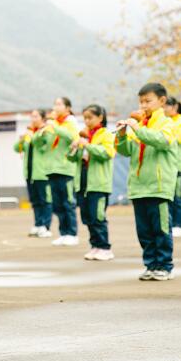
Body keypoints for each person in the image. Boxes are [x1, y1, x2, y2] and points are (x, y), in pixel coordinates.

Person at [116, 82, 177, 281]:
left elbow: (162, 141)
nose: (143, 105)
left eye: (147, 101)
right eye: (141, 101)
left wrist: (137, 129)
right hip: (138, 186)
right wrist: (123, 135)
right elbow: (125, 151)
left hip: (158, 187)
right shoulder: (138, 125)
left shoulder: (168, 123)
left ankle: (165, 265)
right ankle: (150, 264)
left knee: (160, 228)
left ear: (161, 101)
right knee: (144, 231)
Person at [70, 104, 116, 261]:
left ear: (100, 118)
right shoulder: (83, 135)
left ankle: (105, 247)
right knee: (87, 216)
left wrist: (88, 146)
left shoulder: (106, 135)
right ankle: (95, 245)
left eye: (90, 118)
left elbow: (107, 153)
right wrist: (74, 148)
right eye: (85, 118)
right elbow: (71, 158)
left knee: (98, 216)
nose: (87, 121)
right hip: (83, 182)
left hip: (98, 183)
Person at [39, 97, 80, 246]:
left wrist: (54, 126)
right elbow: (42, 144)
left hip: (65, 168)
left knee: (68, 203)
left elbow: (71, 137)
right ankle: (64, 233)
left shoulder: (71, 122)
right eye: (54, 104)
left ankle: (72, 233)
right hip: (52, 168)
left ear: (68, 108)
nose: (55, 107)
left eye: (59, 104)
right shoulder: (53, 123)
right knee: (57, 204)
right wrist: (42, 131)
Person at [14, 110, 53, 237]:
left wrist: (32, 134)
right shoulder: (29, 133)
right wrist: (21, 140)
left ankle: (45, 226)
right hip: (30, 173)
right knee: (35, 201)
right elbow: (16, 148)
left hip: (42, 173)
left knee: (44, 200)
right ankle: (37, 224)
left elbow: (43, 145)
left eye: (36, 116)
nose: (33, 118)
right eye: (32, 116)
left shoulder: (46, 132)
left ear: (43, 118)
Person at [164, 97, 181, 237]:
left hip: (177, 166)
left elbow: (179, 138)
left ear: (174, 107)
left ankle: (178, 225)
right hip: (166, 166)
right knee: (168, 196)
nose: (164, 110)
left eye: (166, 106)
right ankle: (170, 224)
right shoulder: (165, 122)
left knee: (177, 196)